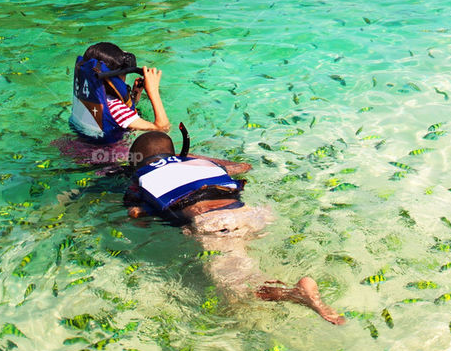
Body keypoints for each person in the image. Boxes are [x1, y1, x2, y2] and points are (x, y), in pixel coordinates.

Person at [123, 130, 345, 325]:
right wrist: (187, 158)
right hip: (250, 213)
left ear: (137, 162)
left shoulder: (141, 178)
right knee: (242, 276)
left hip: (215, 223)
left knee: (238, 289)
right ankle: (278, 298)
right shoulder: (203, 163)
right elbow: (243, 167)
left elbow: (137, 218)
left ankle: (295, 294)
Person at [69, 41, 171, 143]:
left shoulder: (89, 95)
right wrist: (153, 91)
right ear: (113, 78)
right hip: (110, 156)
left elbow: (118, 116)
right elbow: (163, 128)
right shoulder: (116, 108)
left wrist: (135, 95)